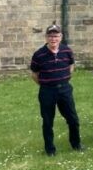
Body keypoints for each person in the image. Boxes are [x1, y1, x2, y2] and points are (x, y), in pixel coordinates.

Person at [30, 23, 83, 156]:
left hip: (65, 89)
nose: (53, 39)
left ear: (61, 37)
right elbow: (34, 74)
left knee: (73, 119)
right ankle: (50, 150)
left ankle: (76, 144)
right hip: (47, 91)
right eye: (50, 36)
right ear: (46, 37)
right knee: (48, 121)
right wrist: (46, 84)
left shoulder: (67, 51)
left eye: (56, 36)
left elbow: (71, 66)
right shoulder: (39, 54)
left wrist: (64, 79)